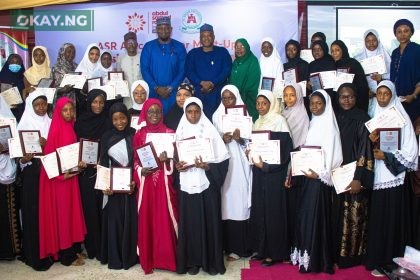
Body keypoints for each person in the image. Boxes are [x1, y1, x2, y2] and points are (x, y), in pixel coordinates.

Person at [365, 81, 418, 277]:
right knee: (379, 219)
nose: (382, 97)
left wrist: (386, 156)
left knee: (393, 219)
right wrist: (370, 142)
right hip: (378, 176)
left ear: (393, 95)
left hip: (395, 178)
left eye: (386, 94)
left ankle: (391, 261)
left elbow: (411, 151)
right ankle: (378, 259)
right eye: (379, 94)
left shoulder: (400, 117)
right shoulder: (374, 117)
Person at [175, 97, 230, 275]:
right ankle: (193, 262)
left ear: (201, 112)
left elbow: (222, 161)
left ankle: (211, 262)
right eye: (189, 112)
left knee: (209, 222)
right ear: (185, 113)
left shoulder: (210, 131)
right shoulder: (180, 131)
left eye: (196, 111)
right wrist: (178, 166)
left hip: (207, 185)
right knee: (190, 224)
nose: (193, 115)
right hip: (187, 185)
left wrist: (207, 166)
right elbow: (175, 160)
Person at [291, 89, 343, 274]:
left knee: (315, 220)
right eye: (312, 103)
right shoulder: (313, 123)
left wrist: (320, 174)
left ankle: (316, 260)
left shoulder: (330, 127)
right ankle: (305, 258)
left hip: (319, 182)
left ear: (326, 104)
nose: (314, 106)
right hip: (308, 179)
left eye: (318, 103)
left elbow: (335, 157)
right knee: (305, 218)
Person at [38, 97, 86, 266]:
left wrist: (79, 164)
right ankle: (67, 256)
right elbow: (50, 159)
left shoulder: (71, 127)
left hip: (70, 178)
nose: (69, 113)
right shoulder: (56, 130)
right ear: (58, 112)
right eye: (65, 110)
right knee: (64, 216)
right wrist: (60, 176)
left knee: (72, 214)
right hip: (60, 182)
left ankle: (74, 250)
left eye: (71, 110)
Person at [133, 98, 178, 274]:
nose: (154, 115)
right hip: (147, 184)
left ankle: (167, 259)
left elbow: (174, 161)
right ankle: (149, 257)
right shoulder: (140, 134)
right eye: (150, 112)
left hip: (164, 185)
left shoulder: (169, 132)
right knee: (148, 219)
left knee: (165, 217)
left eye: (157, 111)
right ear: (145, 113)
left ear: (162, 113)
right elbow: (135, 160)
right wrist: (140, 171)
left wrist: (168, 161)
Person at [248, 90, 292, 266]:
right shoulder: (257, 122)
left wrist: (267, 166)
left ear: (271, 103)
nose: (260, 107)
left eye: (264, 103)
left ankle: (275, 253)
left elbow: (285, 151)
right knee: (261, 210)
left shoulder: (279, 121)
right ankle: (262, 249)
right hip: (259, 174)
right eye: (258, 103)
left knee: (273, 213)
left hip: (274, 174)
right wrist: (249, 153)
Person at [333, 83, 373, 268]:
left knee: (354, 216)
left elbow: (365, 150)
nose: (346, 100)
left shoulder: (362, 118)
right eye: (343, 96)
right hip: (337, 175)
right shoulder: (335, 117)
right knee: (338, 214)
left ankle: (351, 258)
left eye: (350, 96)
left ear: (356, 98)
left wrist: (358, 177)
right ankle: (336, 255)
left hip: (354, 175)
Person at [212, 84, 252, 261]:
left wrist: (240, 138)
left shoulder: (244, 115)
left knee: (239, 202)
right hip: (223, 166)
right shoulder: (215, 116)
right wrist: (222, 139)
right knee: (225, 203)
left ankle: (240, 247)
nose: (228, 101)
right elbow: (211, 143)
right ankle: (225, 246)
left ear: (237, 98)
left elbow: (252, 143)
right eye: (225, 98)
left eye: (231, 98)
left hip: (241, 166)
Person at [99, 103, 137, 270]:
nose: (120, 122)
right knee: (115, 222)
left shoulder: (134, 134)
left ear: (127, 118)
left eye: (123, 118)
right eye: (115, 119)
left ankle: (130, 257)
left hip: (131, 185)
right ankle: (115, 258)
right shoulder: (106, 137)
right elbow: (103, 163)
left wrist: (135, 179)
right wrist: (103, 185)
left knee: (131, 220)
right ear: (111, 120)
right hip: (113, 188)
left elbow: (138, 161)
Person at [17, 91, 53, 270]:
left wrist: (48, 145)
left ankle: (49, 250)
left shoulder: (51, 123)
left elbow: (58, 150)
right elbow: (18, 157)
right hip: (31, 173)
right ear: (31, 106)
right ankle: (33, 254)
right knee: (33, 213)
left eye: (44, 104)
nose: (41, 108)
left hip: (48, 172)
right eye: (37, 105)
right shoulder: (23, 125)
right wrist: (24, 159)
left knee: (47, 213)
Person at [74, 89, 110, 260]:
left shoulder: (108, 121)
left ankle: (105, 247)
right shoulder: (80, 122)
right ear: (89, 102)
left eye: (101, 102)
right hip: (85, 174)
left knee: (104, 210)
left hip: (102, 171)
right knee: (89, 210)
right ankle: (93, 248)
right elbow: (74, 146)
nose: (98, 105)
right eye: (95, 101)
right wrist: (79, 161)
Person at [141, 16, 187, 115]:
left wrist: (171, 88)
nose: (164, 31)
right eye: (160, 28)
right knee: (155, 121)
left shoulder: (179, 47)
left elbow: (183, 70)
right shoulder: (148, 47)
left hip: (174, 94)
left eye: (166, 28)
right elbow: (144, 69)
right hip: (154, 93)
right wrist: (156, 88)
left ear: (171, 29)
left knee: (173, 123)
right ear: (156, 30)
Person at [185, 23, 232, 119]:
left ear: (213, 36)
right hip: (199, 93)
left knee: (219, 121)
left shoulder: (222, 52)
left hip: (218, 94)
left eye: (209, 35)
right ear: (200, 37)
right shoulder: (193, 54)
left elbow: (226, 70)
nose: (206, 38)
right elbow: (189, 71)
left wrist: (212, 83)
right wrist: (201, 82)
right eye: (203, 36)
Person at [0, 95, 21, 261]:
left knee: (7, 209)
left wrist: (8, 148)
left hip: (6, 166)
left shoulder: (7, 118)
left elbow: (18, 142)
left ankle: (11, 249)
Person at [390, 19, 420, 121]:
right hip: (397, 100)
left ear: (411, 32)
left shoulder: (417, 50)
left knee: (412, 131)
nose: (402, 34)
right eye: (399, 31)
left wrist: (414, 95)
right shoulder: (394, 53)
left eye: (406, 31)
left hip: (414, 99)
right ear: (395, 34)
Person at [330, 40, 370, 112]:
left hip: (354, 102)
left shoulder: (353, 63)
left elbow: (362, 85)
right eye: (332, 51)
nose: (334, 53)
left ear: (343, 50)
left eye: (337, 50)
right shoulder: (332, 66)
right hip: (338, 105)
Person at [229, 38, 261, 122]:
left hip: (248, 100)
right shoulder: (235, 62)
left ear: (247, 48)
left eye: (242, 46)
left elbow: (253, 82)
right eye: (237, 47)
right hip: (234, 100)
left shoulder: (253, 61)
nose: (239, 49)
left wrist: (239, 94)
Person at [354, 29, 391, 97]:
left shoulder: (386, 56)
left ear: (378, 41)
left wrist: (382, 77)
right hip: (365, 94)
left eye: (374, 40)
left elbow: (393, 75)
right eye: (368, 41)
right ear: (364, 42)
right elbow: (355, 79)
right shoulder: (358, 58)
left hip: (384, 93)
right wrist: (364, 90)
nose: (371, 43)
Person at [116, 31, 142, 108]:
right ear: (124, 45)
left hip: (141, 94)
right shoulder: (121, 58)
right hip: (127, 96)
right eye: (128, 42)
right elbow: (118, 77)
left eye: (133, 42)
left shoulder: (142, 57)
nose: (131, 44)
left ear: (137, 44)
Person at [308, 40, 337, 109]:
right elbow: (309, 85)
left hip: (330, 99)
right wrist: (308, 84)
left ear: (324, 50)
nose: (316, 52)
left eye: (319, 49)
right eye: (314, 50)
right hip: (316, 100)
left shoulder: (331, 63)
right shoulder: (311, 65)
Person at [259, 37, 284, 112]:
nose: (266, 50)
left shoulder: (277, 62)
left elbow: (280, 82)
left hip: (274, 97)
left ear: (273, 48)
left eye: (269, 47)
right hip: (261, 96)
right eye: (263, 47)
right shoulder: (260, 61)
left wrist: (278, 99)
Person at [282, 84, 309, 149]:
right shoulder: (285, 111)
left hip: (297, 151)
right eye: (285, 95)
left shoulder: (301, 115)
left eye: (292, 95)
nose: (288, 98)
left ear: (298, 95)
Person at [0, 53, 25, 121]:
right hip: (4, 110)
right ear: (8, 63)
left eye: (17, 62)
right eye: (12, 62)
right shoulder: (1, 77)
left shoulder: (25, 77)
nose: (15, 64)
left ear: (21, 64)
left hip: (21, 111)